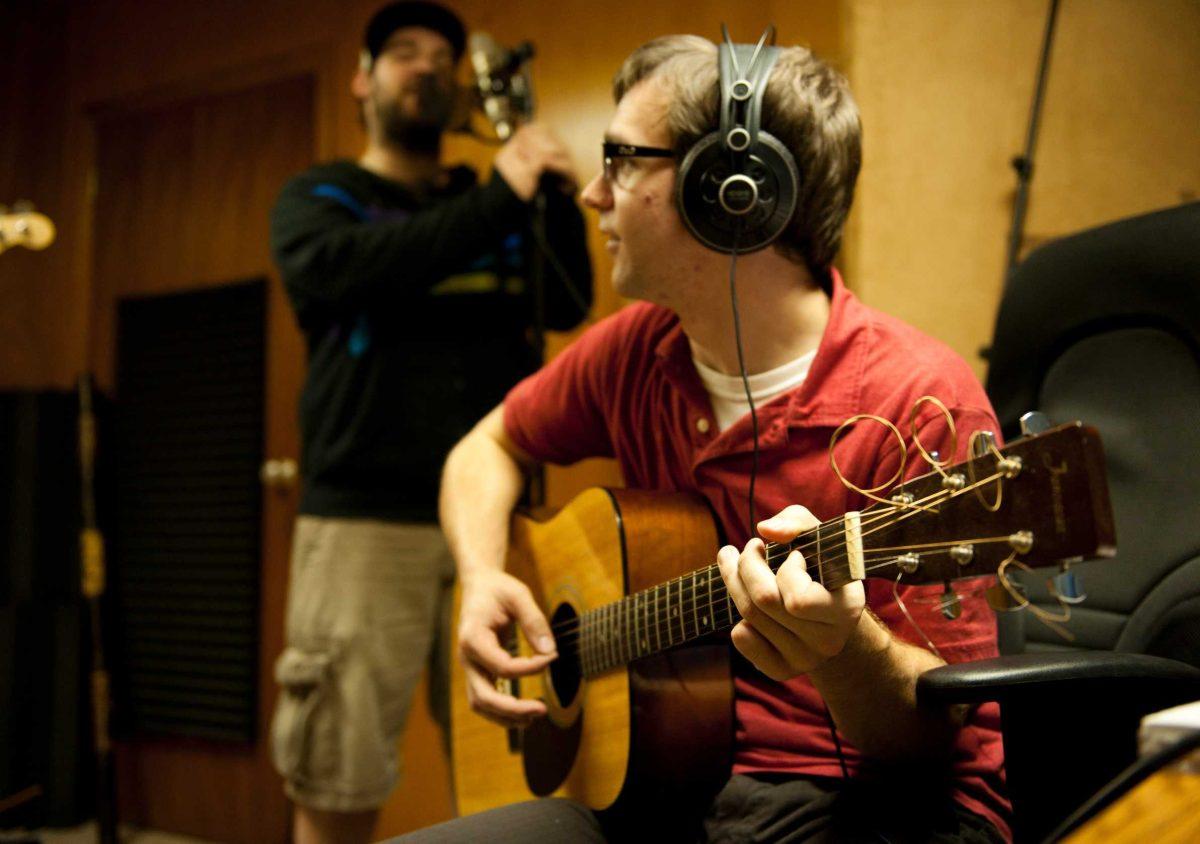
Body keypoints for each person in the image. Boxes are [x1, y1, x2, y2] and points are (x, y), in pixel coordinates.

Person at [421, 32, 1014, 844]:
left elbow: (927, 739)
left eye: (621, 160)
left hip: (872, 802)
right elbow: (483, 449)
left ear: (732, 191)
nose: (593, 194)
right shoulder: (636, 347)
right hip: (664, 783)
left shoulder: (918, 400)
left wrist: (841, 649)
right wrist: (483, 573)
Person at [266, 2, 593, 842]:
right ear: (362, 80)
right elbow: (351, 275)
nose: (427, 68)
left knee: (502, 776)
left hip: (496, 518)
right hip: (363, 521)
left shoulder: (492, 194)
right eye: (403, 52)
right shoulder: (321, 198)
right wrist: (498, 200)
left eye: (442, 57)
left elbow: (567, 301)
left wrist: (551, 194)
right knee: (337, 776)